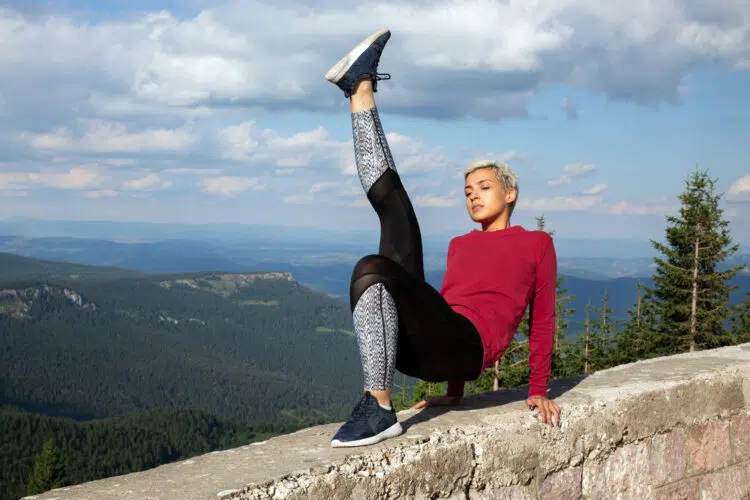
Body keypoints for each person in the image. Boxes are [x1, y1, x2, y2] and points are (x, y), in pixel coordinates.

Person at [325, 28, 561, 448]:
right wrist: (454, 394)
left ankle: (379, 408)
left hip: (468, 351)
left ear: (510, 194)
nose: (473, 194)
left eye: (484, 187)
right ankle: (359, 91)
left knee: (371, 269)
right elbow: (449, 312)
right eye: (468, 190)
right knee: (392, 218)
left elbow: (541, 319)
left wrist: (538, 388)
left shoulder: (536, 244)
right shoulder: (461, 244)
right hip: (428, 347)